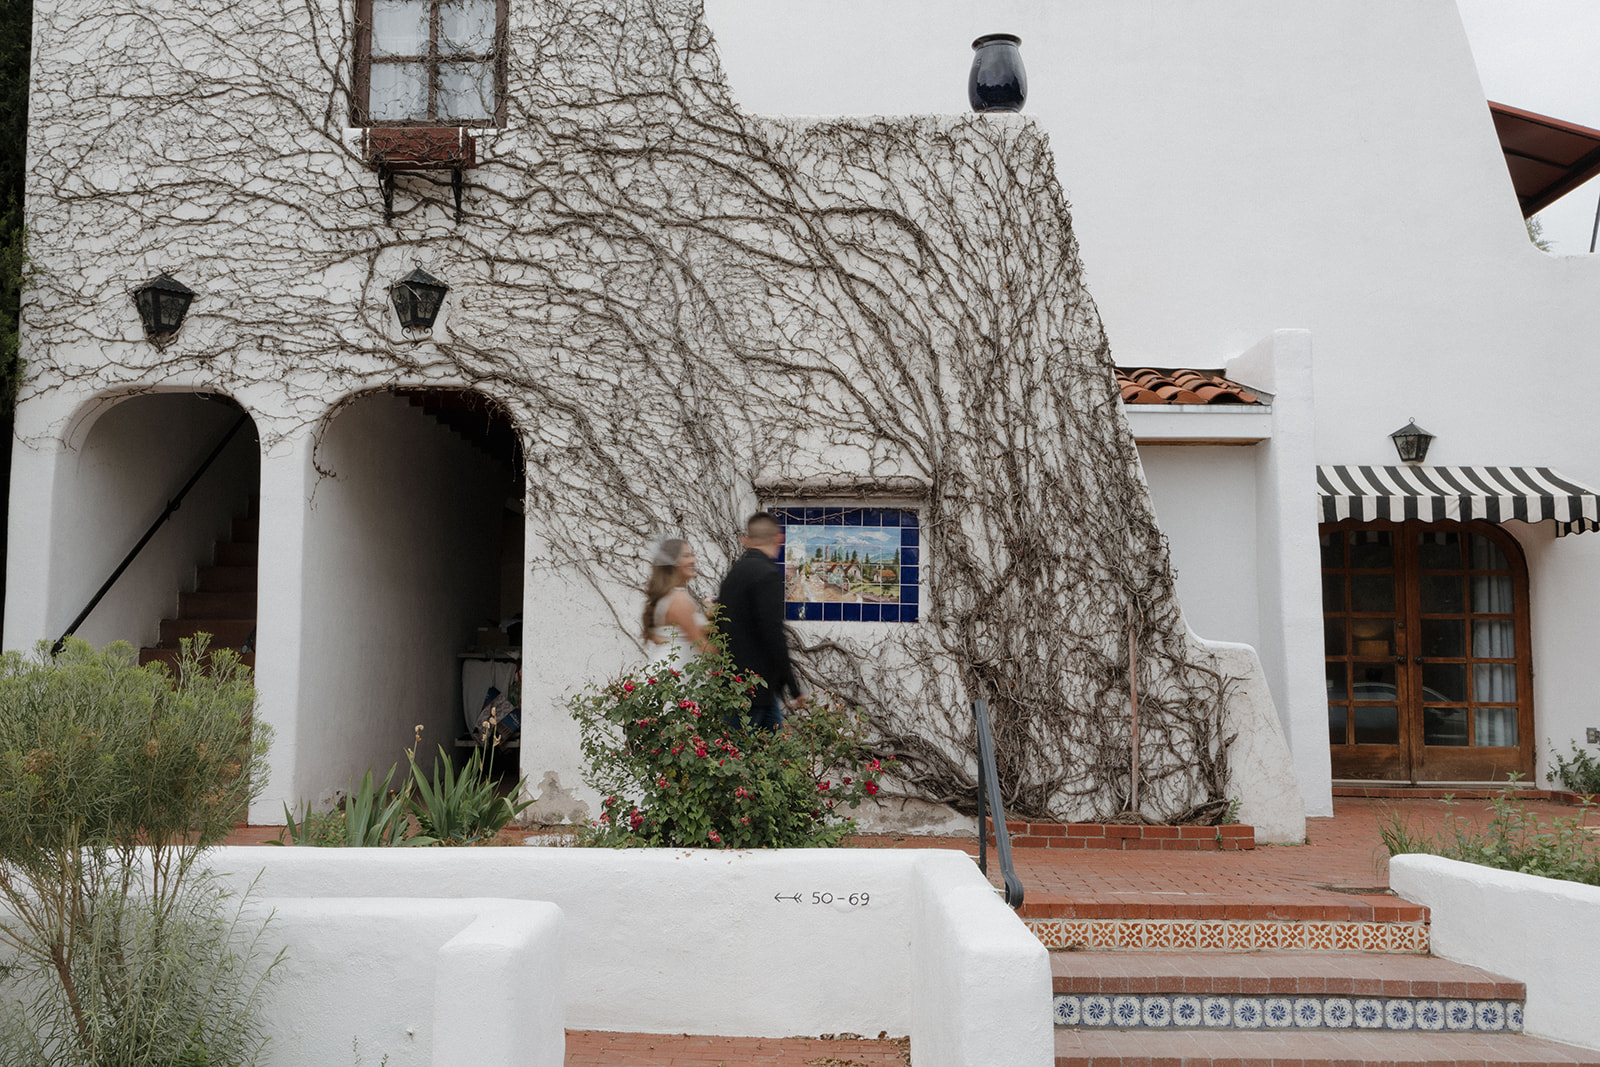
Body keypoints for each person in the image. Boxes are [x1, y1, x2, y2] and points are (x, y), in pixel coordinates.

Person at [716, 512, 800, 730]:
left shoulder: (732, 575)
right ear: (779, 539)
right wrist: (793, 686)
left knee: (770, 755)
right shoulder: (768, 575)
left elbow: (720, 627)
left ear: (747, 540)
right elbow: (773, 632)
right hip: (756, 690)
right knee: (741, 756)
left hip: (736, 687)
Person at [643, 538, 712, 668]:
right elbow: (702, 646)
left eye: (692, 555)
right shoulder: (679, 599)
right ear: (672, 563)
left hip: (674, 673)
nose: (694, 560)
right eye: (686, 556)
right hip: (673, 677)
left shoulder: (668, 596)